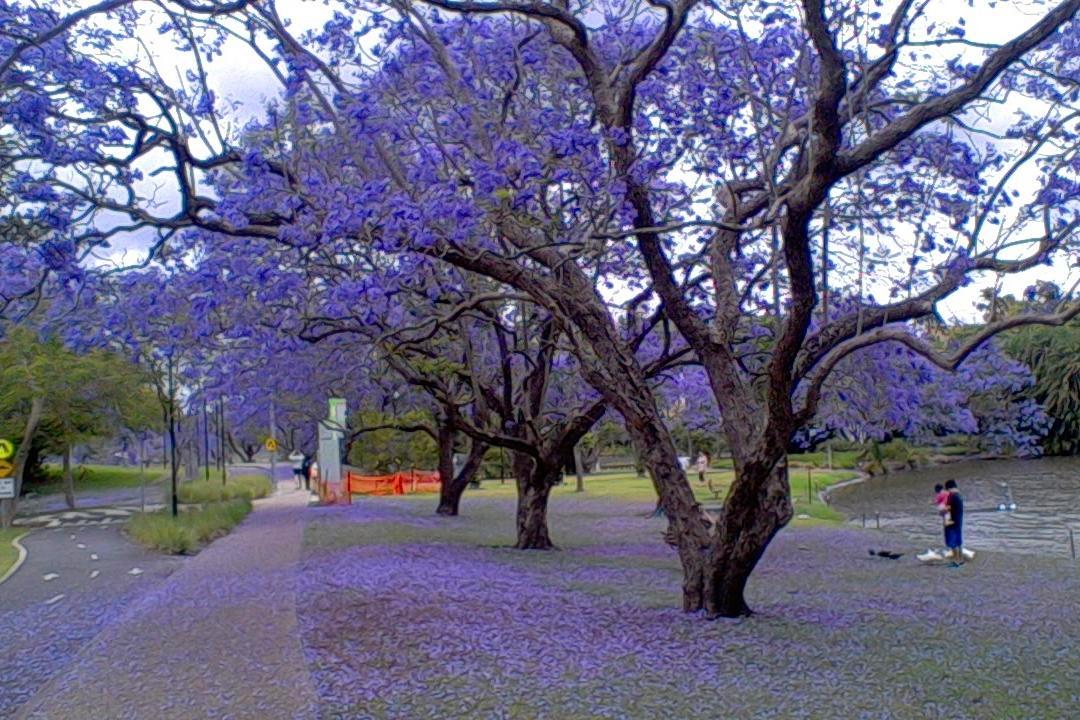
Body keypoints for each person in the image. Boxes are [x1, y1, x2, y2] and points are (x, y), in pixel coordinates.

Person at [944, 479, 965, 562]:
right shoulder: (959, 496)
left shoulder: (950, 496)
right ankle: (960, 557)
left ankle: (956, 559)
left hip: (951, 521)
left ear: (948, 488)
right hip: (959, 520)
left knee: (952, 541)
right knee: (958, 540)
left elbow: (947, 510)